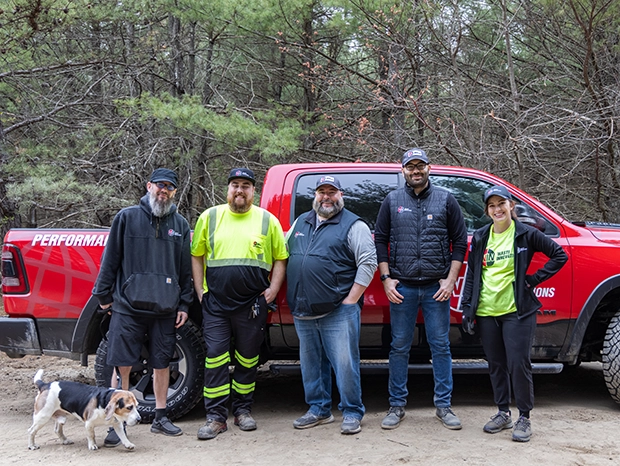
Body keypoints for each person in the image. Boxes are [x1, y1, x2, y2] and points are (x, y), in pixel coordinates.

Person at [92, 168, 193, 442]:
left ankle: (161, 417)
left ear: (174, 192)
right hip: (128, 306)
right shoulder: (127, 217)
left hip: (165, 308)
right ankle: (116, 424)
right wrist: (103, 296)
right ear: (149, 186)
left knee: (162, 363)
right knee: (121, 364)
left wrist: (184, 304)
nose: (164, 190)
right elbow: (110, 258)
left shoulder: (180, 225)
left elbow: (185, 270)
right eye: (160, 185)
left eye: (170, 187)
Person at [460, 185, 567, 442]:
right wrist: (467, 307)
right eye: (492, 206)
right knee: (496, 364)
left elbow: (558, 255)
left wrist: (533, 279)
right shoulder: (482, 236)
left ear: (511, 206)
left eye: (502, 204)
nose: (497, 209)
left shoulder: (525, 233)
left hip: (516, 311)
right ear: (487, 210)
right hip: (486, 311)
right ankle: (502, 412)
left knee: (519, 364)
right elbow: (474, 273)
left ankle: (524, 418)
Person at [374, 148, 468, 430]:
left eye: (420, 165)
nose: (416, 170)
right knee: (399, 346)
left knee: (440, 346)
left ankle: (444, 406)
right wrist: (386, 279)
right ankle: (396, 405)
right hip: (401, 286)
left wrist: (450, 280)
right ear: (402, 170)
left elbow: (460, 242)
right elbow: (380, 240)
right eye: (410, 166)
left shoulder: (446, 199)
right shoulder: (392, 201)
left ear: (429, 168)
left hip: (435, 288)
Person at [191, 168, 288, 440]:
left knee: (248, 359)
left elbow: (281, 257)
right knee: (216, 358)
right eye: (235, 184)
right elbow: (197, 255)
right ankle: (215, 417)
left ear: (253, 191)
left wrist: (273, 289)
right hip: (216, 306)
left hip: (252, 305)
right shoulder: (209, 217)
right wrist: (201, 291)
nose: (240, 190)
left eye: (246, 186)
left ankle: (242, 411)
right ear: (228, 189)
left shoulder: (267, 221)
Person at [286, 175, 377, 435]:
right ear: (315, 195)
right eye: (321, 191)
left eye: (332, 192)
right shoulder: (300, 221)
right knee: (311, 363)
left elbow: (368, 263)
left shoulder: (353, 225)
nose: (326, 197)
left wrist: (351, 300)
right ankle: (319, 409)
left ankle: (352, 411)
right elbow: (283, 253)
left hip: (338, 309)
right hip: (303, 309)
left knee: (345, 364)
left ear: (341, 195)